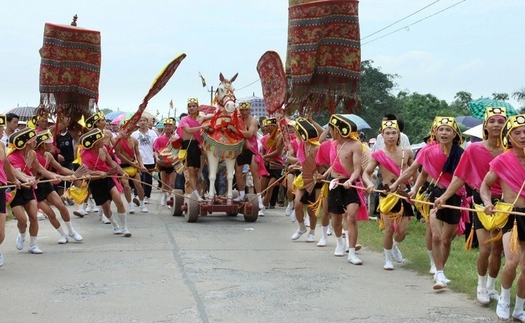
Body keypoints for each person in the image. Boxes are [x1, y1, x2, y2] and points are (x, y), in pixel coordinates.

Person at [434, 107, 506, 304]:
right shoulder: (474, 149)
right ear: (485, 125)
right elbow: (460, 176)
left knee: (498, 248)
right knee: (485, 248)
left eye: (501, 121)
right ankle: (481, 286)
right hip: (482, 200)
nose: (496, 125)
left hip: (505, 203)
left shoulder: (511, 150)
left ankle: (491, 287)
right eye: (492, 121)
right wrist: (445, 197)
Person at [391, 116, 465, 289]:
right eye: (441, 129)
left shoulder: (461, 153)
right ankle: (439, 274)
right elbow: (416, 171)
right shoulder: (428, 151)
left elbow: (460, 177)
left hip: (454, 195)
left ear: (455, 134)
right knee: (436, 235)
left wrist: (446, 196)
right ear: (435, 132)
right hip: (435, 194)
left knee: (447, 239)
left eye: (448, 130)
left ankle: (441, 269)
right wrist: (403, 186)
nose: (445, 133)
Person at [480, 114, 525, 321]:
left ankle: (519, 309)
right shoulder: (502, 160)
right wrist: (488, 203)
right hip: (512, 216)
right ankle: (505, 300)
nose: (523, 136)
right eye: (517, 132)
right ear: (509, 136)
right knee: (512, 261)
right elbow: (485, 185)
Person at [362, 119, 413, 270]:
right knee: (389, 228)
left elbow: (415, 172)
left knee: (402, 232)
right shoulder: (378, 154)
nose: (391, 136)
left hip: (403, 194)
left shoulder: (407, 152)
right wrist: (370, 184)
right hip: (387, 194)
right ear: (382, 135)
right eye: (387, 133)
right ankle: (388, 259)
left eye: (394, 133)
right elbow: (366, 173)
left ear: (399, 134)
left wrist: (416, 188)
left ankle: (394, 246)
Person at [318, 114, 363, 264]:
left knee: (351, 217)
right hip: (335, 183)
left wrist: (350, 180)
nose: (330, 132)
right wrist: (323, 175)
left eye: (332, 129)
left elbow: (357, 168)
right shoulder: (332, 144)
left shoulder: (355, 145)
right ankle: (339, 243)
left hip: (349, 184)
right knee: (336, 219)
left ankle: (351, 253)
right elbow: (333, 164)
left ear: (339, 130)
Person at [31, 130, 83, 244]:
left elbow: (61, 169)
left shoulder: (48, 155)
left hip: (46, 183)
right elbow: (41, 171)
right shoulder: (33, 156)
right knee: (50, 213)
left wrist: (74, 174)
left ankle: (71, 231)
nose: (53, 145)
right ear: (43, 144)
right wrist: (57, 177)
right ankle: (62, 235)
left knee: (61, 206)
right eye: (50, 143)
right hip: (35, 187)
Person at [79, 128, 132, 237]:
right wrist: (98, 172)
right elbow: (85, 170)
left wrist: (122, 173)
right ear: (95, 142)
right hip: (95, 182)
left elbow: (111, 162)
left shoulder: (103, 149)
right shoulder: (86, 155)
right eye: (101, 139)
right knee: (106, 208)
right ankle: (115, 225)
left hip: (108, 177)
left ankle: (125, 227)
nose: (104, 141)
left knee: (118, 200)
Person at [7, 127, 42, 254]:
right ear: (26, 142)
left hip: (27, 188)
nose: (36, 142)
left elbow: (40, 170)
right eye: (34, 140)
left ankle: (33, 244)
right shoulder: (12, 157)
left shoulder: (32, 154)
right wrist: (29, 180)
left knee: (33, 216)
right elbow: (18, 175)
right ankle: (22, 235)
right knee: (22, 220)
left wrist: (56, 176)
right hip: (16, 190)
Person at [289, 118, 322, 242]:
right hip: (303, 177)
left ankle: (312, 232)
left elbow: (322, 164)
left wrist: (320, 174)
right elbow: (303, 162)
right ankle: (302, 228)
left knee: (311, 208)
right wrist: (297, 165)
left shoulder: (317, 147)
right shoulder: (301, 145)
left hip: (316, 179)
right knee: (297, 204)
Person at [232, 101, 267, 215]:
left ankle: (259, 200)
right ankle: (241, 195)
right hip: (240, 149)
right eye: (242, 110)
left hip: (252, 149)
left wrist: (235, 130)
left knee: (255, 173)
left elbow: (249, 134)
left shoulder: (253, 120)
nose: (243, 112)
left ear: (249, 110)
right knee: (238, 173)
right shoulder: (237, 119)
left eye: (246, 110)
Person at [176, 98, 211, 201]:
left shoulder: (201, 119)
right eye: (189, 106)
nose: (191, 108)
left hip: (197, 146)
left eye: (193, 106)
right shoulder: (185, 119)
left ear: (197, 107)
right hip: (188, 145)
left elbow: (213, 116)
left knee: (197, 171)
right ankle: (195, 194)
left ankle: (200, 192)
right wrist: (202, 127)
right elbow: (188, 130)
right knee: (190, 170)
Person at [0, 114, 23, 265]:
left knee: (0, 232)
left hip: (0, 188)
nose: (2, 131)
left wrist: (14, 180)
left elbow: (6, 164)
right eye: (0, 128)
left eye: (1, 127)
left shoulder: (1, 145)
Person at [115, 128, 148, 213]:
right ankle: (130, 206)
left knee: (139, 185)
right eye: (125, 130)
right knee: (126, 186)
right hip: (122, 167)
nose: (127, 132)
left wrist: (142, 165)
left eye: (129, 130)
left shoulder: (134, 141)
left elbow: (138, 154)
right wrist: (130, 162)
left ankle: (142, 204)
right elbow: (118, 154)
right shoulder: (118, 140)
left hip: (133, 166)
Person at [260, 117, 284, 216]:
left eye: (268, 126)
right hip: (266, 164)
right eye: (265, 126)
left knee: (269, 188)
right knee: (261, 188)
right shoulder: (265, 138)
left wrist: (265, 156)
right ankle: (260, 204)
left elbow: (278, 152)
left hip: (276, 165)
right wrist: (264, 158)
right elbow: (263, 151)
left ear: (273, 126)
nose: (266, 128)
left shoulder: (280, 137)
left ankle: (263, 208)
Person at [131, 116, 158, 204]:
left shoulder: (153, 133)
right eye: (140, 121)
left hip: (150, 159)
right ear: (138, 123)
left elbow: (156, 145)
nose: (142, 122)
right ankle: (137, 195)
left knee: (148, 179)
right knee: (138, 178)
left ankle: (147, 196)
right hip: (138, 160)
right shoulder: (134, 134)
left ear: (147, 122)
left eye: (144, 121)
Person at [153, 117, 179, 205]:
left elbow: (179, 151)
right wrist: (157, 159)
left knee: (172, 184)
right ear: (164, 127)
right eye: (166, 126)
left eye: (170, 126)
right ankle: (165, 196)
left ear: (173, 127)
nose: (168, 127)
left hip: (172, 164)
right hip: (162, 164)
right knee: (164, 184)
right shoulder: (159, 139)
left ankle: (170, 199)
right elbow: (156, 151)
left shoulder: (175, 139)